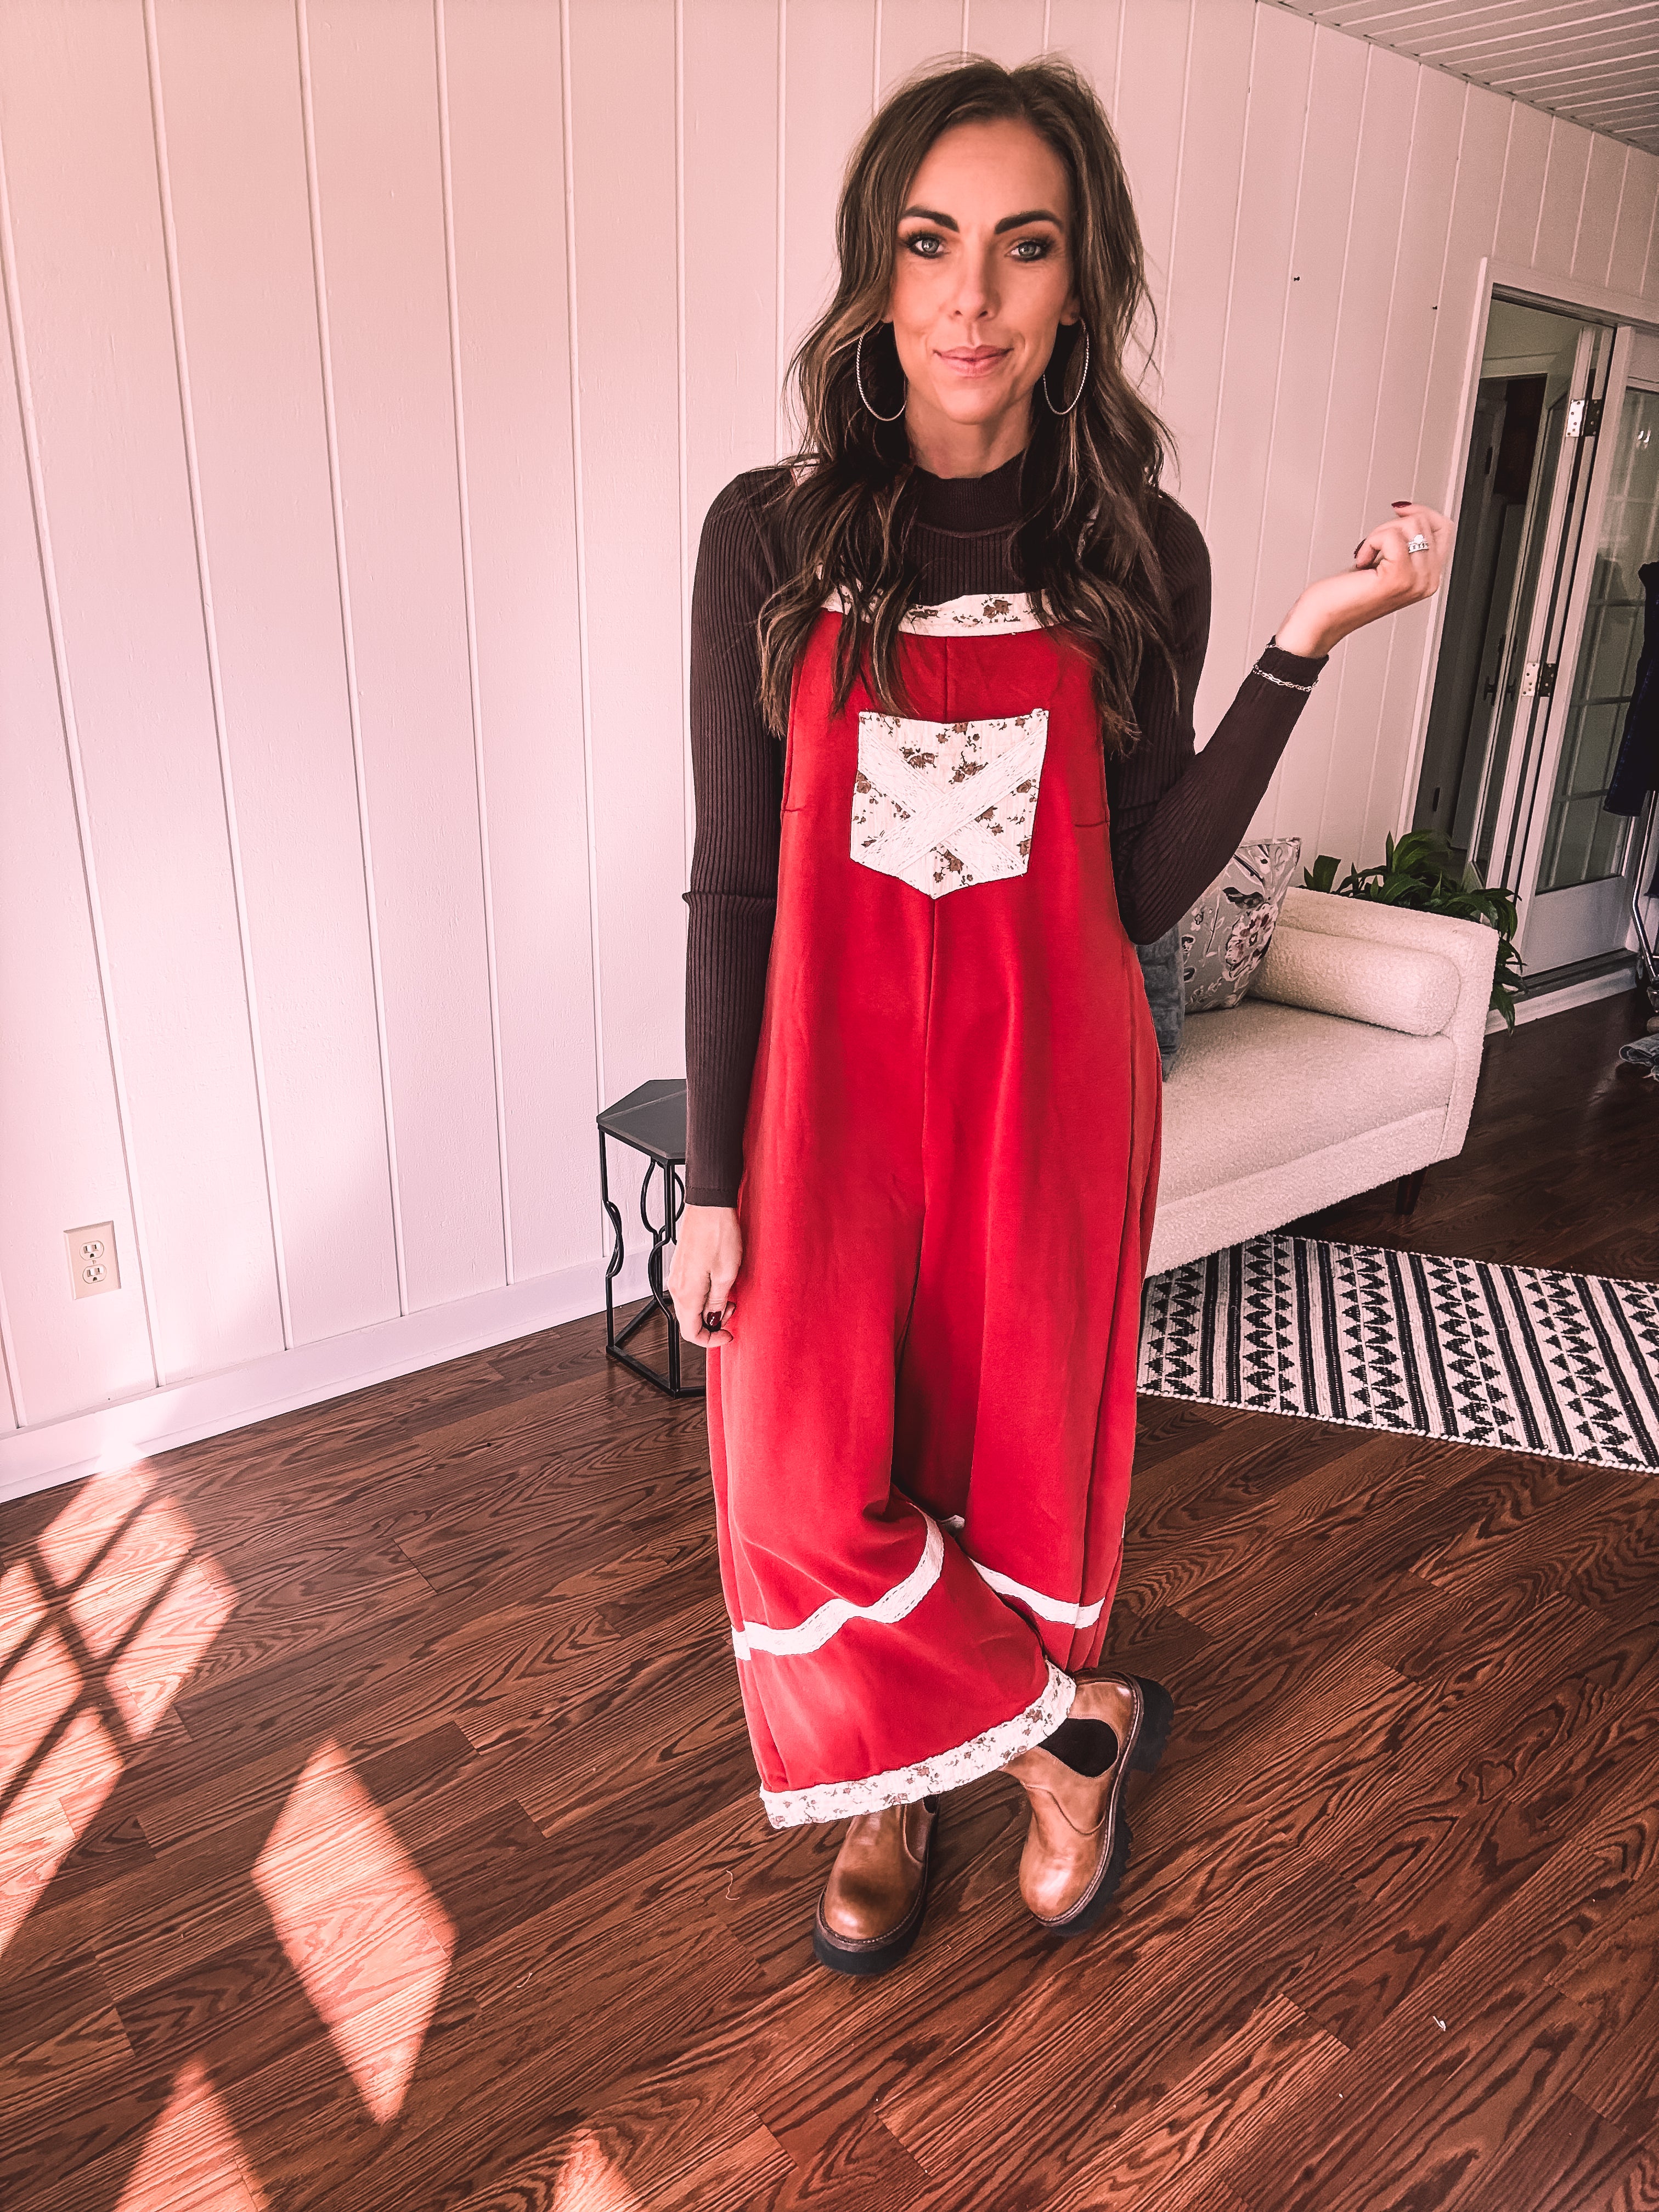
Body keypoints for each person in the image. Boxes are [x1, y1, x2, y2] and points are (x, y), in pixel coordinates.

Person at [667, 55, 1447, 1977]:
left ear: (1079, 281)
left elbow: (1142, 889)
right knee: (801, 1483)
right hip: (824, 1110)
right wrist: (712, 1179)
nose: (972, 296)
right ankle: (1060, 1737)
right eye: (931, 241)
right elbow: (735, 880)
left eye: (1024, 248)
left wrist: (1301, 645)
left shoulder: (1141, 554)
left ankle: (967, 1784)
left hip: (1047, 1095)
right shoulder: (769, 538)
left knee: (1009, 1459)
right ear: (877, 265)